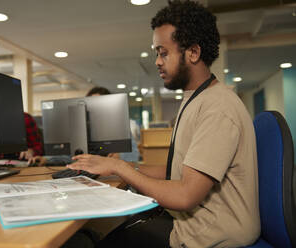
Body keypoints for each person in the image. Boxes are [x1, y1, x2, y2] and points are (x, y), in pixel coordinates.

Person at [67, 1, 260, 247]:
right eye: (157, 53)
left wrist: (120, 168)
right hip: (193, 222)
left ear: (193, 52)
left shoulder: (217, 107)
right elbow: (175, 173)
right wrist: (123, 166)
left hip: (211, 234)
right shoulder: (196, 98)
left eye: (163, 52)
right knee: (104, 230)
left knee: (100, 239)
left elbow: (185, 195)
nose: (157, 61)